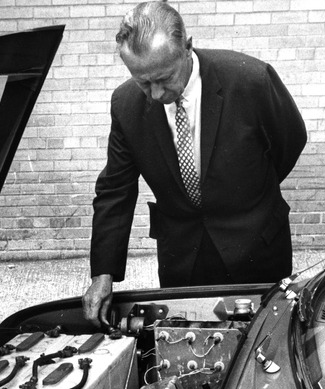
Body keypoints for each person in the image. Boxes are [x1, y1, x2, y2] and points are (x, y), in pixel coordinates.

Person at [82, 1, 307, 327]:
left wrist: (249, 193)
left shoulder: (250, 79)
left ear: (187, 48)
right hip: (182, 256)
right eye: (143, 82)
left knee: (264, 345)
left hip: (256, 245)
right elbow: (115, 189)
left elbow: (290, 141)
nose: (156, 94)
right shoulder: (126, 104)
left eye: (164, 78)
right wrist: (103, 274)